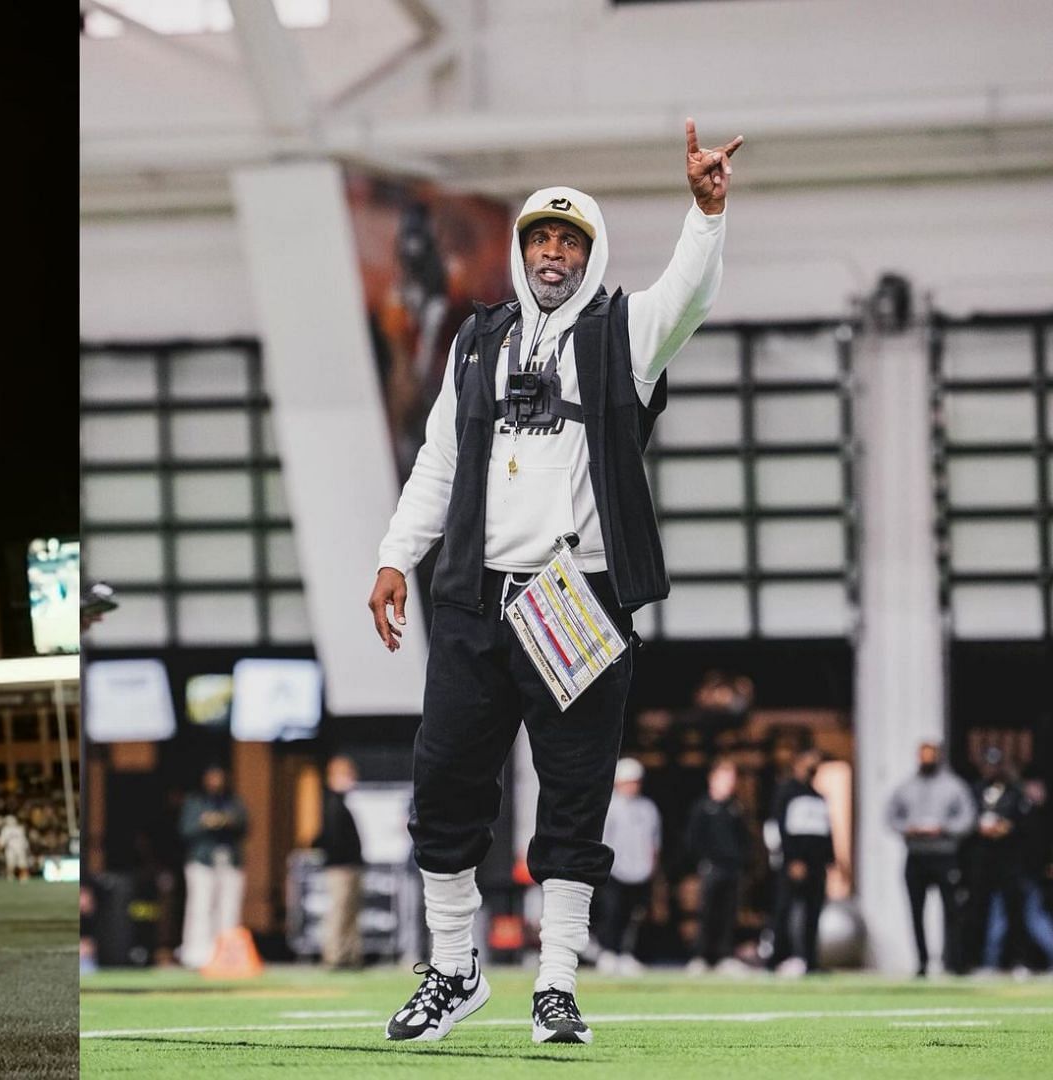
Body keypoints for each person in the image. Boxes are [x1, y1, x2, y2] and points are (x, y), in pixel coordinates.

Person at [367, 119, 738, 1046]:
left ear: (592, 252)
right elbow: (439, 463)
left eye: (571, 240)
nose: (555, 253)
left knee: (574, 797)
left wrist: (705, 213)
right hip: (472, 601)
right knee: (442, 785)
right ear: (521, 250)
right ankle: (454, 971)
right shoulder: (475, 343)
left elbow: (688, 297)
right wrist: (391, 554)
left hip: (576, 600)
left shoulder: (624, 335)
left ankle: (557, 983)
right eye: (541, 237)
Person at [884, 739, 975, 975]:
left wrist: (944, 828)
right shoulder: (906, 787)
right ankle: (922, 962)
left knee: (952, 911)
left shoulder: (954, 786)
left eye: (931, 756)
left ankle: (953, 961)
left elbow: (967, 818)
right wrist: (907, 829)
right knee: (916, 911)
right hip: (916, 855)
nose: (927, 760)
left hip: (944, 855)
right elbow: (891, 816)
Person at [965, 746, 1034, 974]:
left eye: (995, 764)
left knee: (1015, 912)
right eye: (988, 764)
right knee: (978, 909)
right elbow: (966, 819)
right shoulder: (975, 790)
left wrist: (1007, 828)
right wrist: (979, 828)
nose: (991, 769)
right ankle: (979, 961)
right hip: (983, 858)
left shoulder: (1014, 791)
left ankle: (1017, 960)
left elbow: (1025, 823)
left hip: (1008, 859)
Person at [765, 748, 832, 976]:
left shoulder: (818, 797)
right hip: (793, 863)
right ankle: (777, 959)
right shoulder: (786, 792)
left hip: (816, 865)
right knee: (784, 911)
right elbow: (779, 828)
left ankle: (810, 960)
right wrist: (791, 859)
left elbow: (824, 832)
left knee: (813, 913)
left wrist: (831, 860)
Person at [179, 765, 249, 969]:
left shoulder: (233, 801)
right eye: (212, 776)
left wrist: (226, 821)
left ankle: (227, 955)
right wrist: (205, 822)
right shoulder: (195, 801)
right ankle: (196, 955)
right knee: (200, 907)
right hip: (202, 861)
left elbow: (245, 824)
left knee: (229, 909)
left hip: (229, 860)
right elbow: (185, 829)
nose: (216, 780)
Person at [685, 758, 750, 974]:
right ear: (713, 779)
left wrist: (742, 861)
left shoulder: (736, 808)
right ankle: (701, 956)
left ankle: (724, 956)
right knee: (707, 913)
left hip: (732, 869)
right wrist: (702, 861)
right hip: (711, 868)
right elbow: (693, 839)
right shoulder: (703, 807)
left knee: (728, 914)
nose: (730, 782)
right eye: (725, 777)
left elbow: (744, 839)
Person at [597, 759, 660, 975]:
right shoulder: (611, 806)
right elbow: (604, 838)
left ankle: (626, 953)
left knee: (634, 917)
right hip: (616, 870)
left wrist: (651, 866)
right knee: (613, 913)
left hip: (640, 871)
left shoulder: (648, 808)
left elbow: (653, 841)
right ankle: (608, 952)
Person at [314, 755, 368, 969]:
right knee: (339, 911)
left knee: (350, 913)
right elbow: (329, 838)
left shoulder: (343, 803)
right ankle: (335, 955)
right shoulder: (331, 803)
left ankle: (351, 954)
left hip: (351, 865)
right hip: (340, 867)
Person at [0, 814, 33, 882]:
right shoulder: (8, 829)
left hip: (17, 848)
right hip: (13, 849)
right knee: (12, 863)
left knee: (21, 863)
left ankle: (21, 876)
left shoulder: (17, 829)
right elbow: (3, 841)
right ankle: (11, 876)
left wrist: (26, 847)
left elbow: (23, 839)